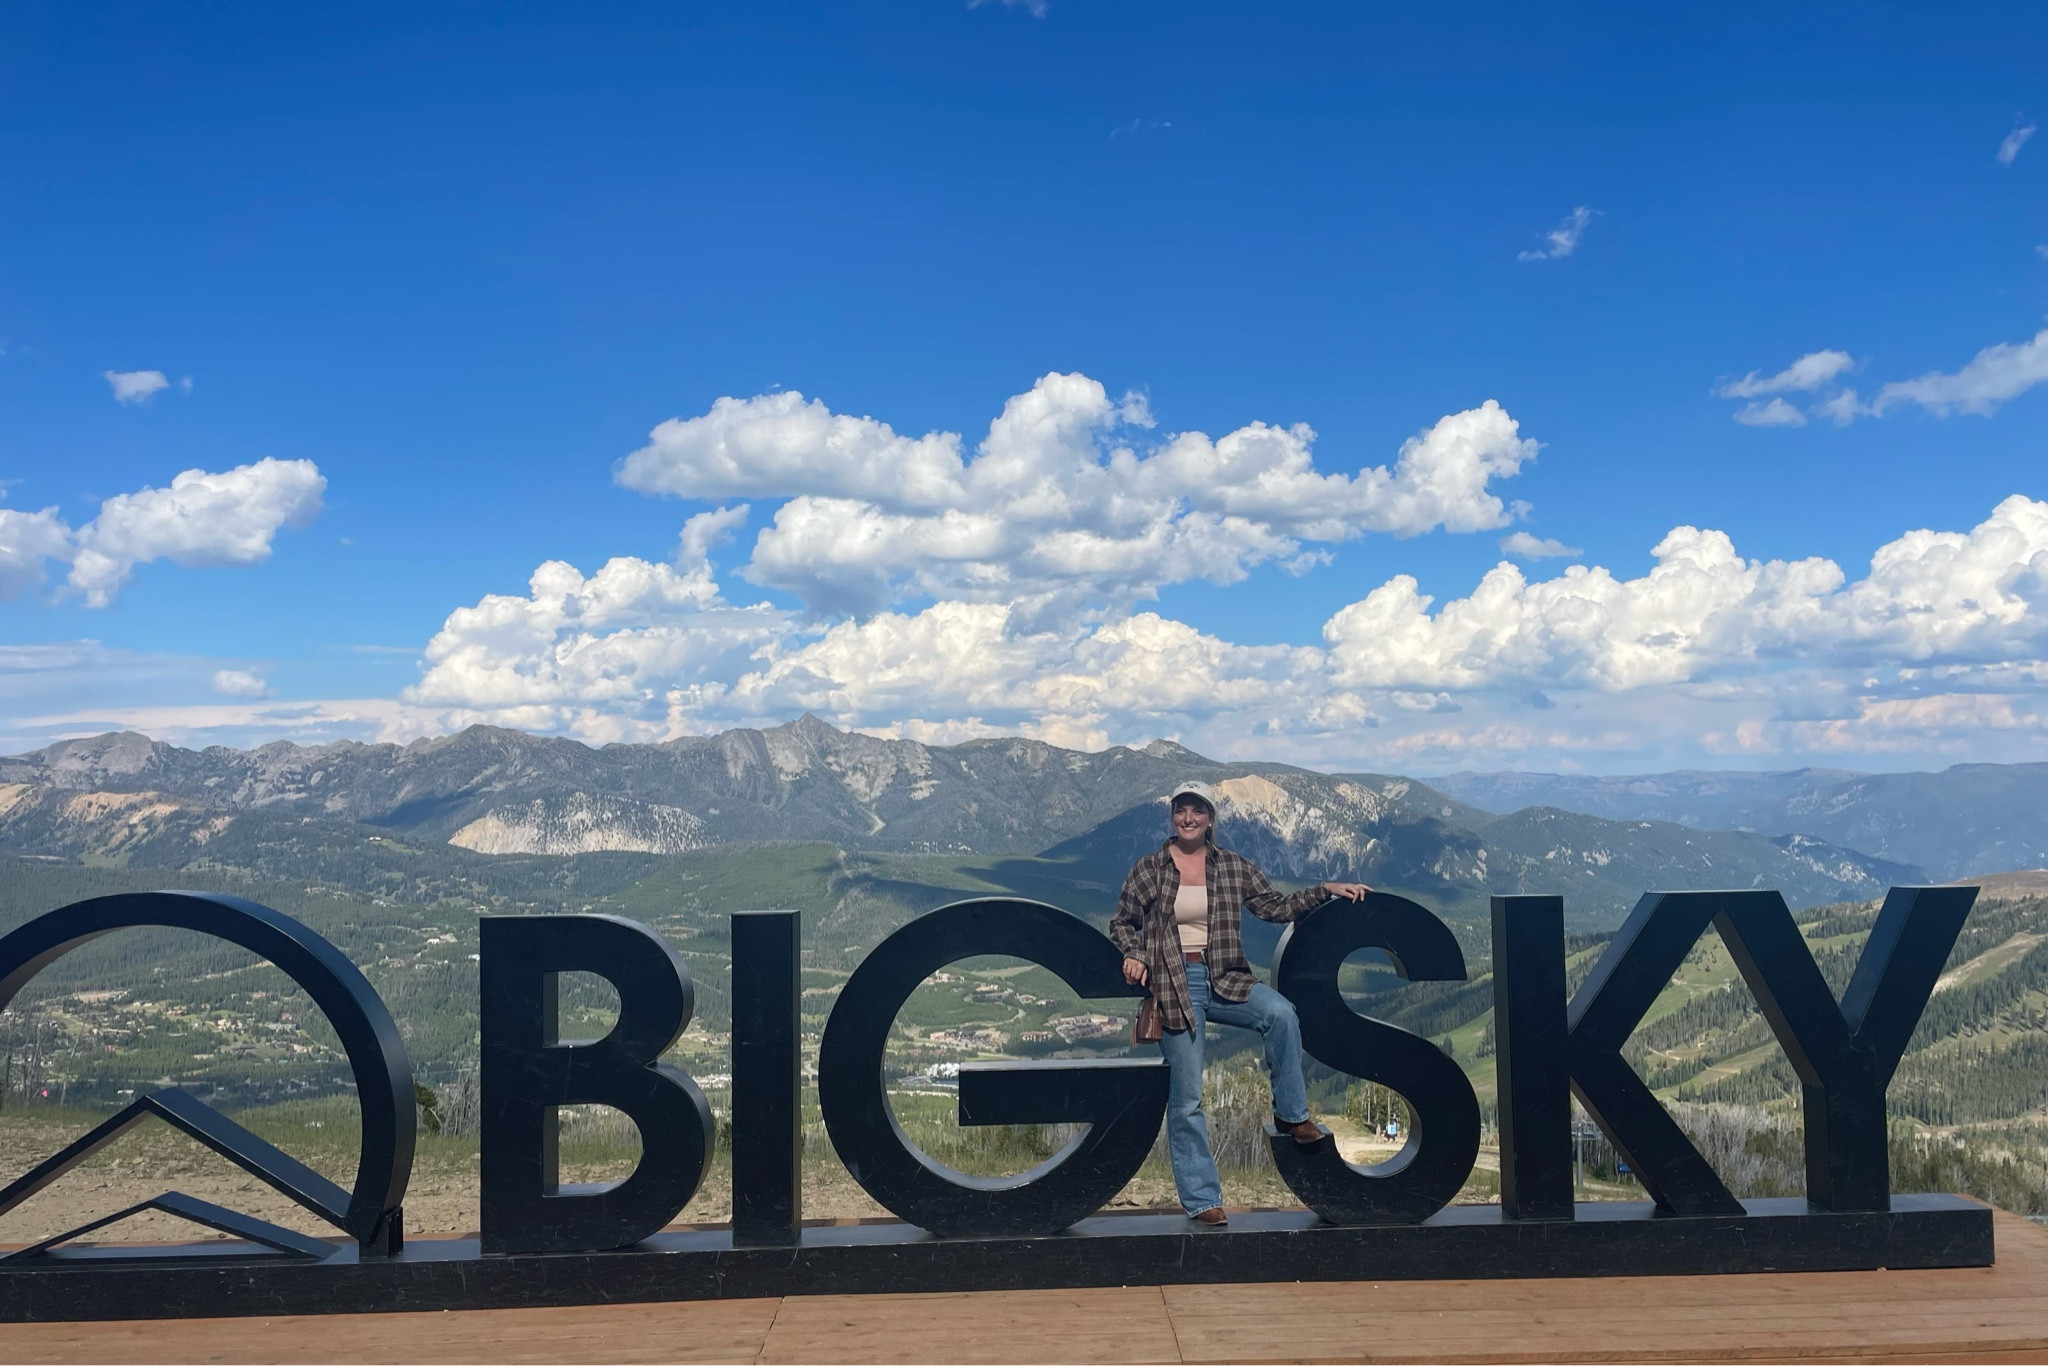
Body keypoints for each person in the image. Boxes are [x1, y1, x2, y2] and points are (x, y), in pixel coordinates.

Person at [1110, 779, 1370, 1227]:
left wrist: (1324, 890)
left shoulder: (1231, 865)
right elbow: (1123, 922)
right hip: (1175, 983)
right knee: (1187, 1099)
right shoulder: (1149, 868)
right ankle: (1201, 1199)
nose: (1188, 818)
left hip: (1226, 977)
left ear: (1210, 818)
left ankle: (1292, 1116)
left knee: (1281, 1013)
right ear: (1173, 816)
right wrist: (1134, 953)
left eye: (1197, 810)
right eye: (1180, 810)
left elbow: (1274, 905)